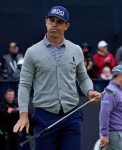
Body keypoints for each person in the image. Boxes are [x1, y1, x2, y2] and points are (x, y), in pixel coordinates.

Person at [13, 6, 101, 150]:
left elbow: (83, 78)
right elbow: (24, 85)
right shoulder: (32, 52)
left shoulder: (76, 50)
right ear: (46, 22)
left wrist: (90, 91)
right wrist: (23, 115)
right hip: (44, 116)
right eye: (51, 20)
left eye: (59, 22)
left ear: (67, 26)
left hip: (72, 115)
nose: (54, 24)